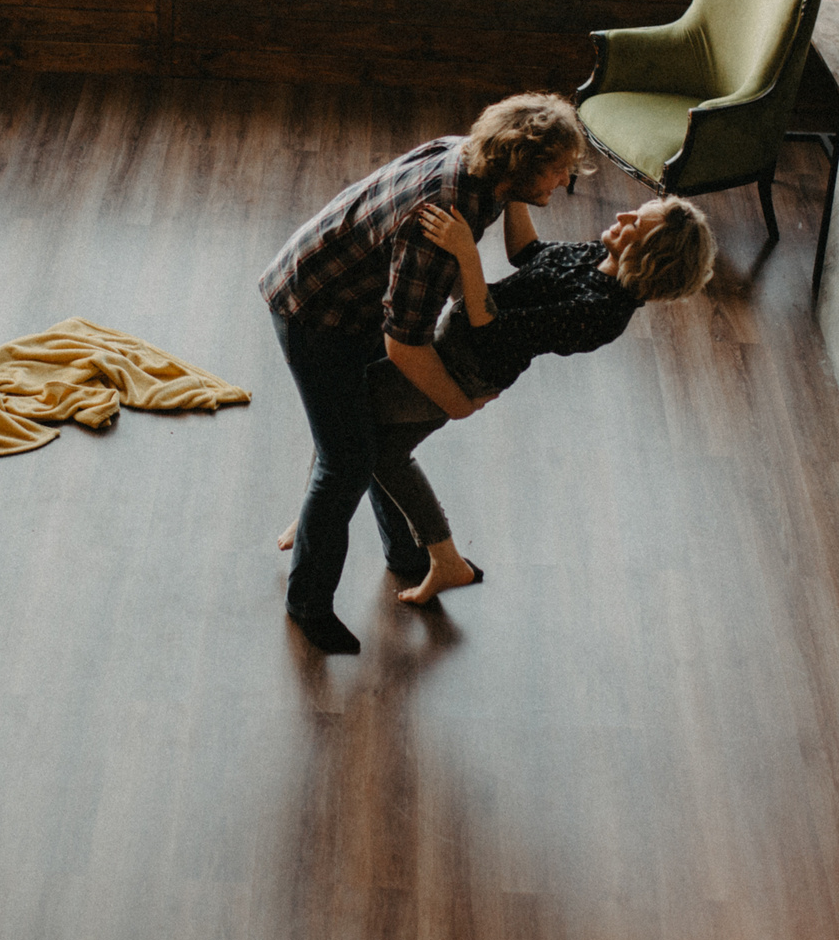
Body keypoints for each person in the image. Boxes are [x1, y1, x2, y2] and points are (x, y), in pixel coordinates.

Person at [259, 94, 590, 655]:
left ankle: (407, 554)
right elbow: (406, 343)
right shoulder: (441, 218)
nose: (566, 179)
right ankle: (307, 603)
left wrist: (519, 190)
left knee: (375, 430)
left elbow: (498, 261)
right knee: (346, 462)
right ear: (519, 165)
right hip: (316, 312)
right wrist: (458, 402)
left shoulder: (477, 167)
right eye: (557, 169)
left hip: (352, 295)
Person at [360, 193, 717, 605]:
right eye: (635, 211)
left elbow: (490, 329)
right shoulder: (597, 253)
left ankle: (330, 509)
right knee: (385, 450)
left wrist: (466, 254)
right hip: (459, 346)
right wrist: (516, 192)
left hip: (467, 369)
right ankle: (438, 557)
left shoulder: (601, 311)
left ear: (649, 258)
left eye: (636, 224)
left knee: (353, 410)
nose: (622, 215)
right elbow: (528, 253)